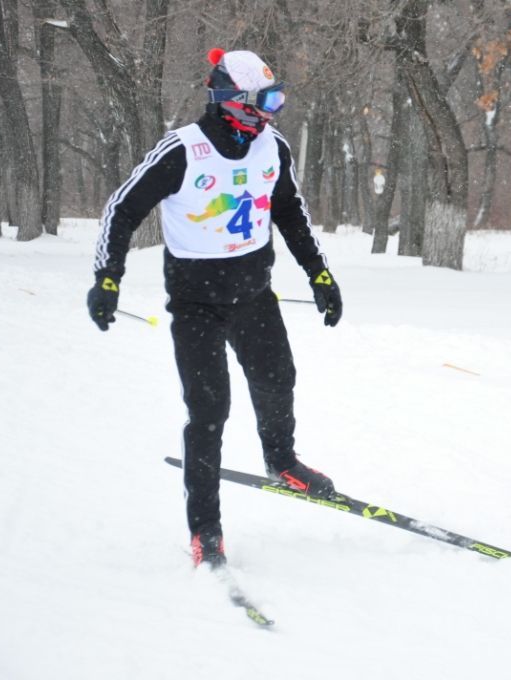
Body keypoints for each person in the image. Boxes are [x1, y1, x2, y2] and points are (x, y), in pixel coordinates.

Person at [86, 48, 343, 569]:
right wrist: (108, 277)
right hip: (196, 302)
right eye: (264, 102)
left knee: (278, 380)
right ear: (232, 101)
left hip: (254, 294)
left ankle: (281, 460)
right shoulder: (183, 150)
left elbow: (292, 215)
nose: (272, 113)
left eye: (277, 101)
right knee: (209, 412)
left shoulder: (273, 147)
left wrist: (320, 274)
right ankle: (206, 529)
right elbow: (122, 209)